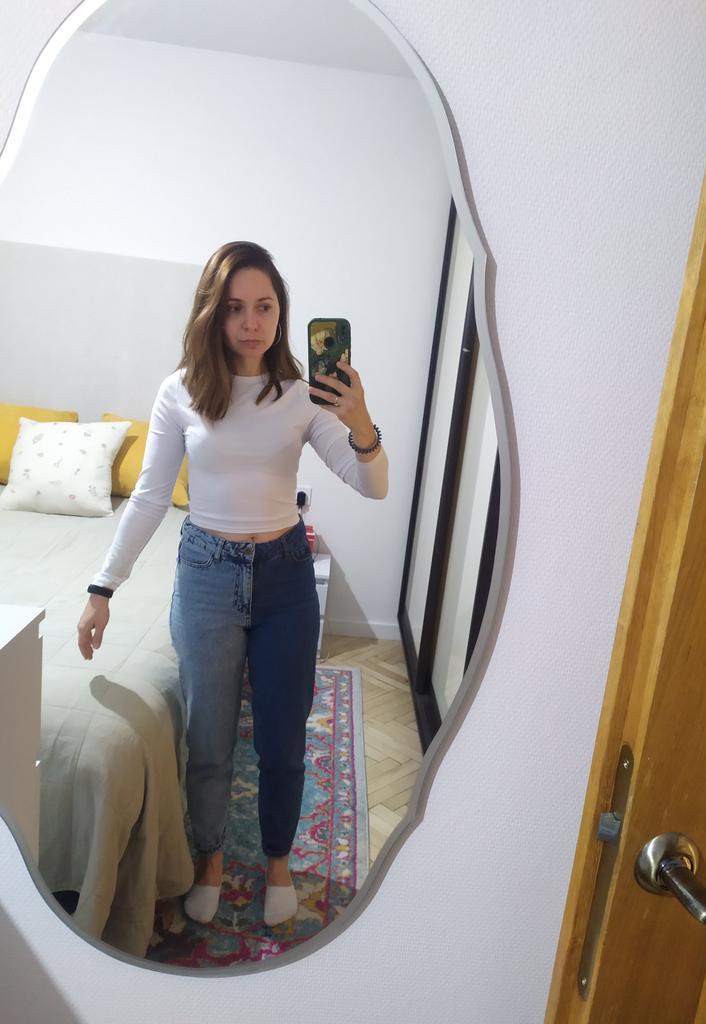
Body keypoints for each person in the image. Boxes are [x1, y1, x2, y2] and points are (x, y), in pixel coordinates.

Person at [77, 240, 388, 928]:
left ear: (281, 313)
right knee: (209, 740)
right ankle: (211, 859)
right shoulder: (181, 391)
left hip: (285, 578)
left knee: (282, 738)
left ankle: (277, 861)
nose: (251, 322)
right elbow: (150, 497)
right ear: (213, 314)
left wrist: (360, 421)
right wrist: (103, 588)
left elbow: (372, 484)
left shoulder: (304, 395)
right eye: (236, 308)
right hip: (206, 577)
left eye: (265, 306)